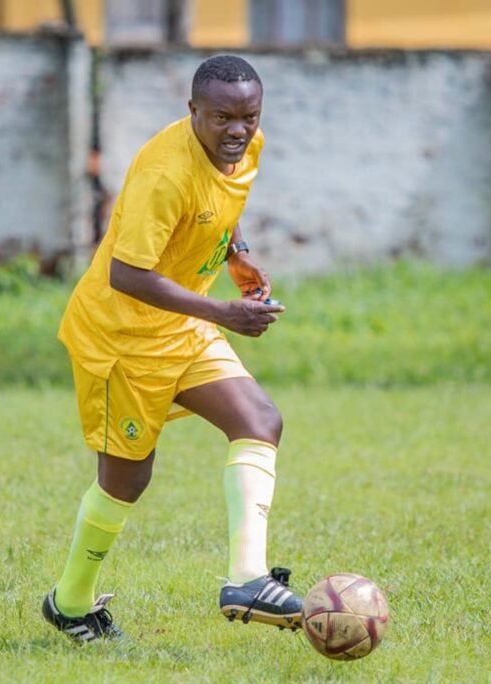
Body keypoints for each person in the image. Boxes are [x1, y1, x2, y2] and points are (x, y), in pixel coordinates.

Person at [42, 54, 301, 642]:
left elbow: (223, 204)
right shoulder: (164, 174)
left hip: (180, 326)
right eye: (223, 118)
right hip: (121, 339)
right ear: (193, 112)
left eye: (250, 116)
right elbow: (127, 275)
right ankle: (70, 603)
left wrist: (236, 253)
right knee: (126, 481)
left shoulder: (245, 147)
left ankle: (247, 578)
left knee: (260, 420)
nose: (239, 130)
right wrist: (223, 313)